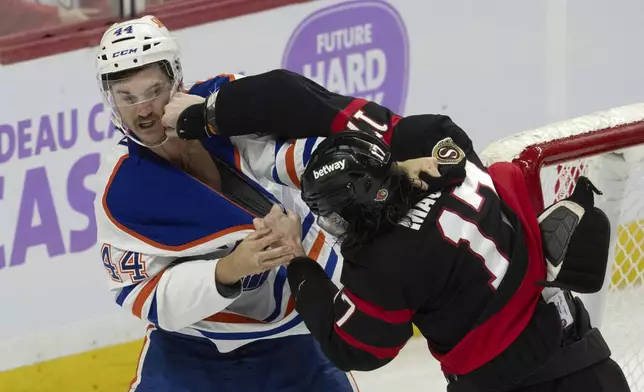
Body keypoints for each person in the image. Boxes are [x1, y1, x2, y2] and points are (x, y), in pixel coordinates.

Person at [160, 69, 632, 391]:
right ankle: (530, 249)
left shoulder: (383, 262)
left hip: (506, 380)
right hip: (586, 357)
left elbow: (360, 348)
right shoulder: (439, 153)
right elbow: (303, 98)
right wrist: (206, 115)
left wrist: (298, 261)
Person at [93, 16, 362, 392]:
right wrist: (228, 269)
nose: (143, 111)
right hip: (190, 353)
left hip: (297, 334)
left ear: (175, 81)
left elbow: (296, 156)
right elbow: (143, 294)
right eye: (127, 97)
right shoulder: (121, 190)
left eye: (153, 90)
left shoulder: (228, 105)